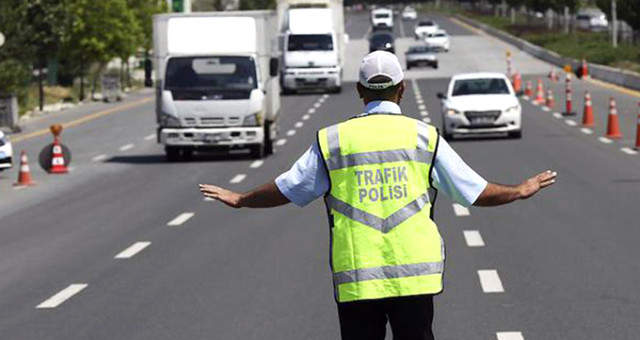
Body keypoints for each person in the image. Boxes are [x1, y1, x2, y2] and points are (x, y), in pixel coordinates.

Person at [199, 51, 557, 340]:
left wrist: (241, 198)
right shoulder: (424, 137)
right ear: (401, 89)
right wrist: (519, 191)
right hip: (414, 278)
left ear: (359, 91)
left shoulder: (334, 140)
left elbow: (289, 188)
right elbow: (474, 191)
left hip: (357, 278)